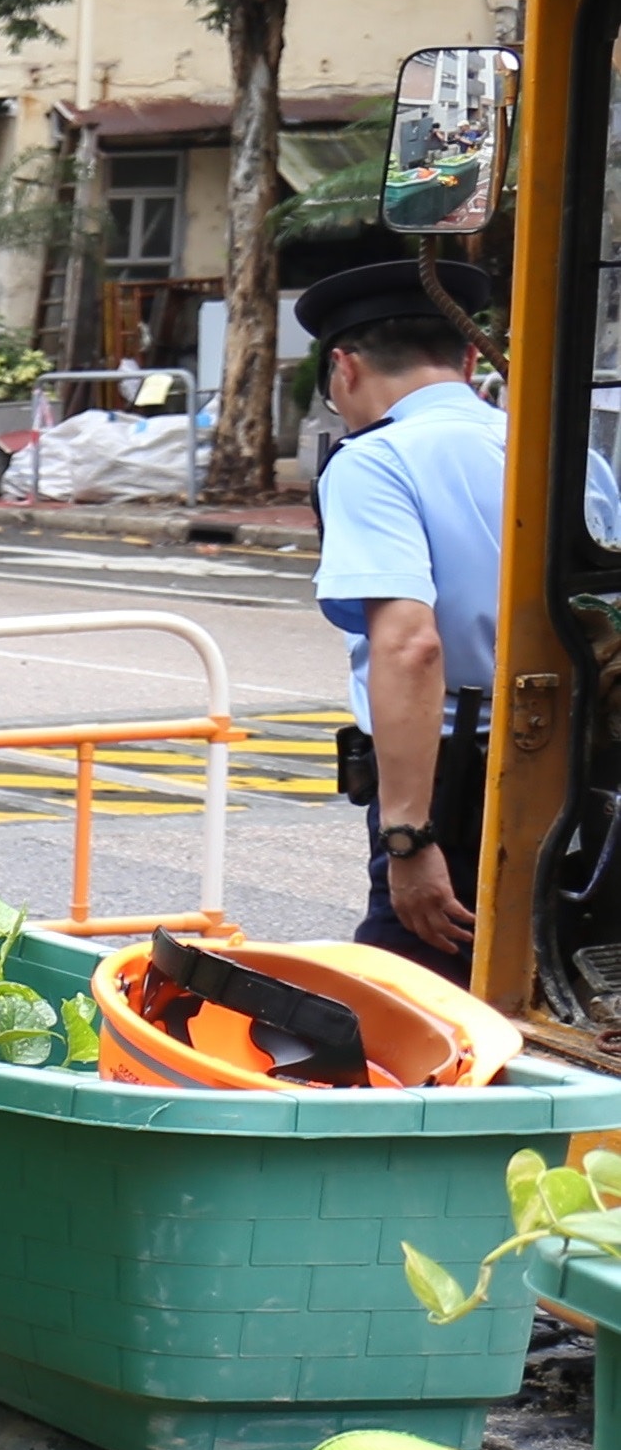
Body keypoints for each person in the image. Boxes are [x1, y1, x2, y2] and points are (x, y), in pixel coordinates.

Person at [302, 253, 504, 962]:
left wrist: (410, 837)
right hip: (568, 767)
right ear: (471, 355)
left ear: (345, 367)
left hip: (453, 781)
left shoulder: (376, 460)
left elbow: (411, 645)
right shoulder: (554, 449)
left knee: (407, 1007)